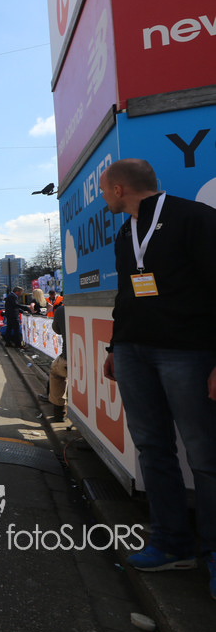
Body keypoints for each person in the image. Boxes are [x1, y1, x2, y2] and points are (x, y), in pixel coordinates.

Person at [99, 158, 216, 597]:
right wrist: (116, 347)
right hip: (134, 352)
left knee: (206, 454)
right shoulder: (124, 233)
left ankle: (214, 551)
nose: (103, 198)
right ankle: (171, 543)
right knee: (152, 448)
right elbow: (128, 294)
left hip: (187, 352)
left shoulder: (194, 217)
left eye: (104, 190)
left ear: (119, 188)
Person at [39, 299, 67, 423]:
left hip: (68, 358)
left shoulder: (61, 310)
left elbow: (57, 330)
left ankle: (59, 413)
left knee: (56, 373)